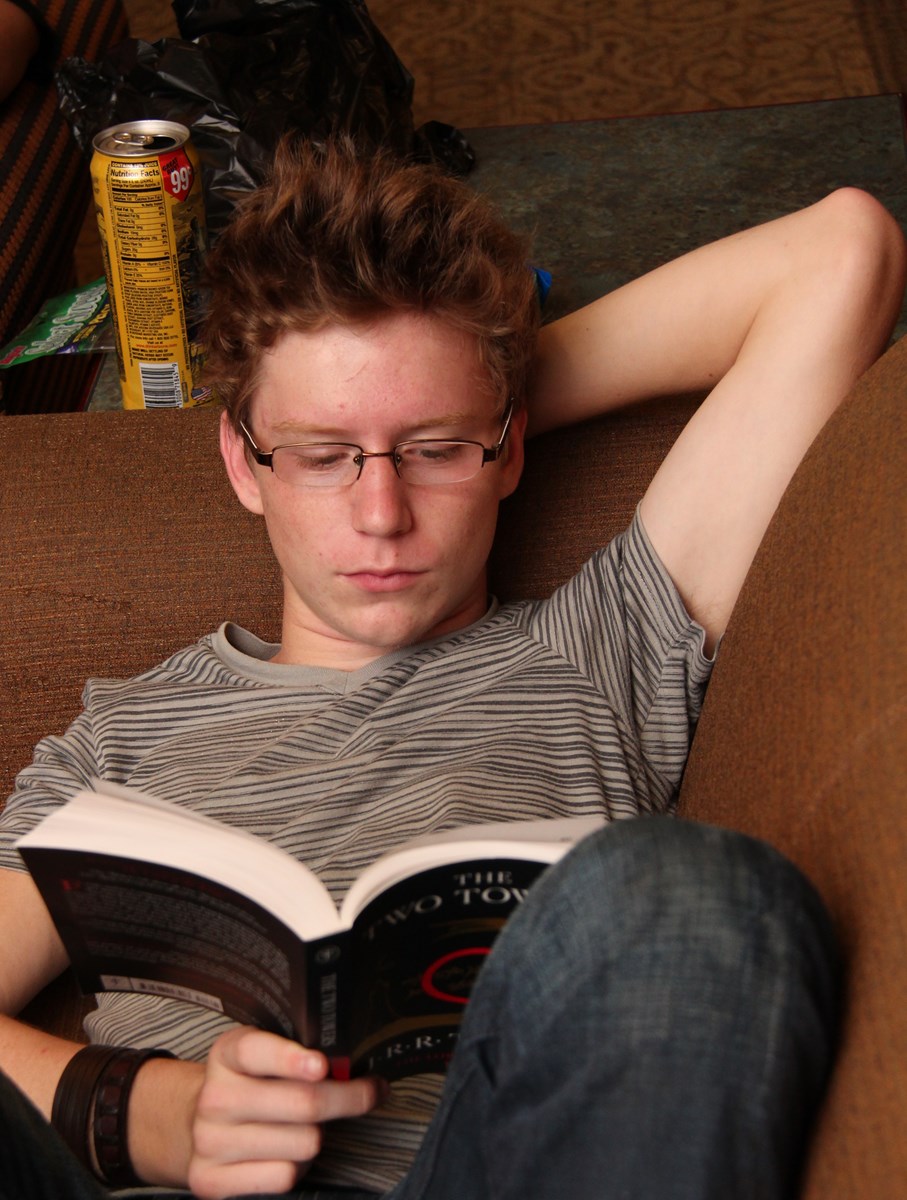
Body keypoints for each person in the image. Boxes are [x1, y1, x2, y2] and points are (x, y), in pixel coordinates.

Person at [0, 137, 904, 1200]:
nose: (381, 513)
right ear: (245, 463)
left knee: (692, 888)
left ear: (510, 448)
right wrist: (147, 1113)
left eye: (435, 453)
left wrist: (473, 388)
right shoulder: (119, 740)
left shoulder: (599, 644)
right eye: (323, 456)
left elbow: (842, 255)